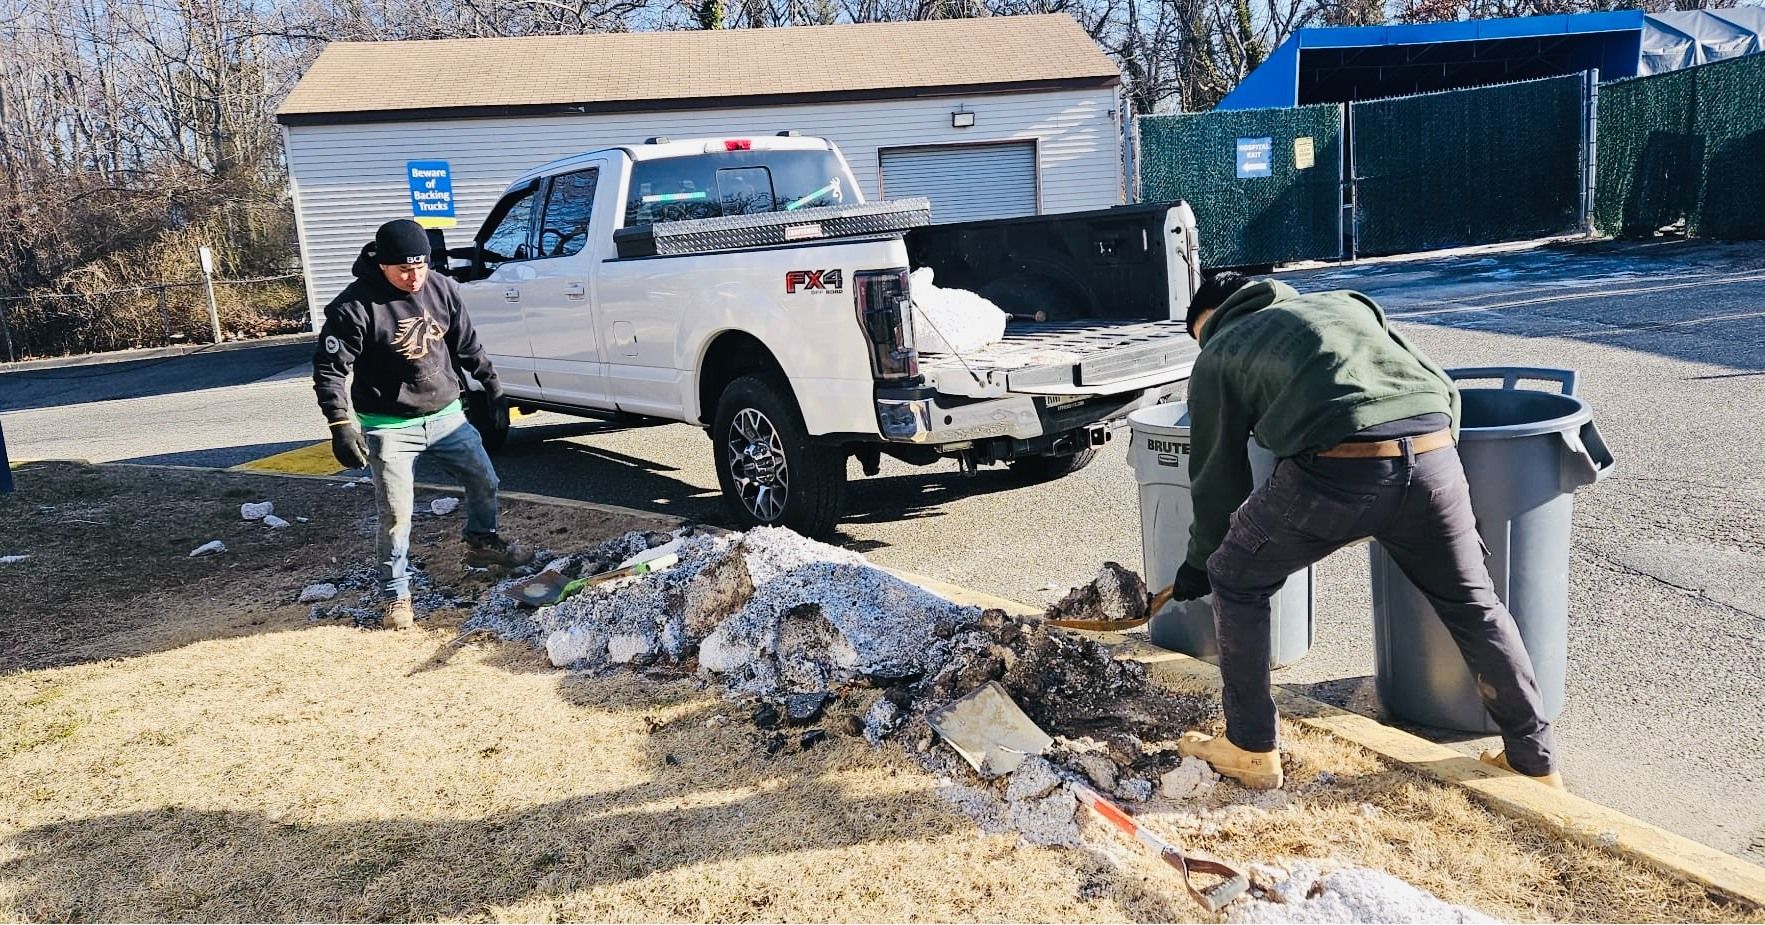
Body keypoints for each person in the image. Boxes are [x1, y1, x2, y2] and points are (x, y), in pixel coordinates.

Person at [1170, 272, 1560, 790]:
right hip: (1435, 456)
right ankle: (1534, 761)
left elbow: (1217, 474)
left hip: (1335, 470)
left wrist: (1200, 562)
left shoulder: (1221, 347)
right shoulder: (1348, 305)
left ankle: (1250, 746)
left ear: (1209, 319)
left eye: (1198, 333)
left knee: (1235, 576)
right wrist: (1437, 491)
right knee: (1472, 601)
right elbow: (1442, 387)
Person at [313, 219, 532, 630]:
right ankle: (396, 593)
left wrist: (493, 387)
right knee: (396, 512)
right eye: (403, 270)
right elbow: (329, 370)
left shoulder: (443, 288)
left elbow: (467, 344)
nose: (413, 278)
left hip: (447, 414)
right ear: (382, 265)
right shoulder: (353, 308)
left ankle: (481, 542)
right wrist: (340, 422)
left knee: (485, 480)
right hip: (389, 423)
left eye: (420, 267)